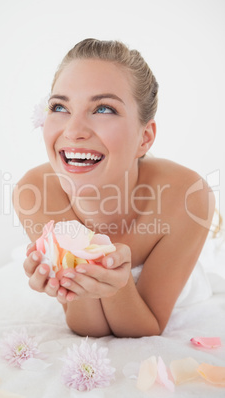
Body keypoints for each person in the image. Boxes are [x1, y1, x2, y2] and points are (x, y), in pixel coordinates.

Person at [13, 38, 215, 338]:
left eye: (104, 109)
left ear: (144, 138)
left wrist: (115, 286)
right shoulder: (33, 193)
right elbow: (88, 326)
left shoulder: (188, 197)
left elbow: (145, 328)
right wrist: (83, 287)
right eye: (60, 106)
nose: (73, 131)